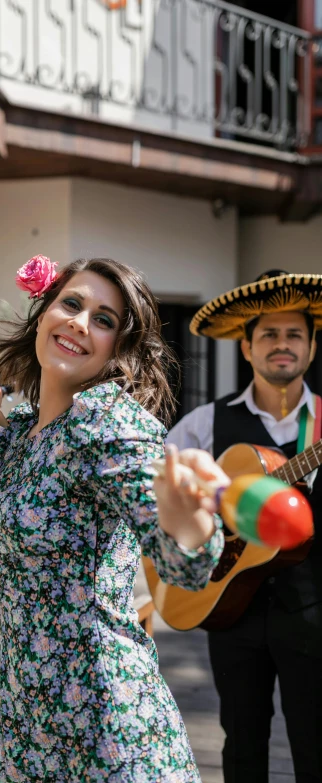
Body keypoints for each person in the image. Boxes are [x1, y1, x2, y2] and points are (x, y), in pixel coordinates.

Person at [0, 254, 228, 782]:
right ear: (43, 311)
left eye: (104, 319)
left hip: (104, 718)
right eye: (71, 303)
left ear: (117, 349)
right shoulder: (20, 426)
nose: (79, 322)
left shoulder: (108, 425)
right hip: (23, 712)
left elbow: (184, 566)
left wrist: (189, 522)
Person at [166, 270, 322, 783]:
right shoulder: (204, 424)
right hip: (229, 602)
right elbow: (159, 498)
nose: (282, 344)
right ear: (248, 348)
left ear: (312, 346)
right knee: (242, 740)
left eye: (293, 334)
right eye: (269, 335)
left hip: (314, 609)